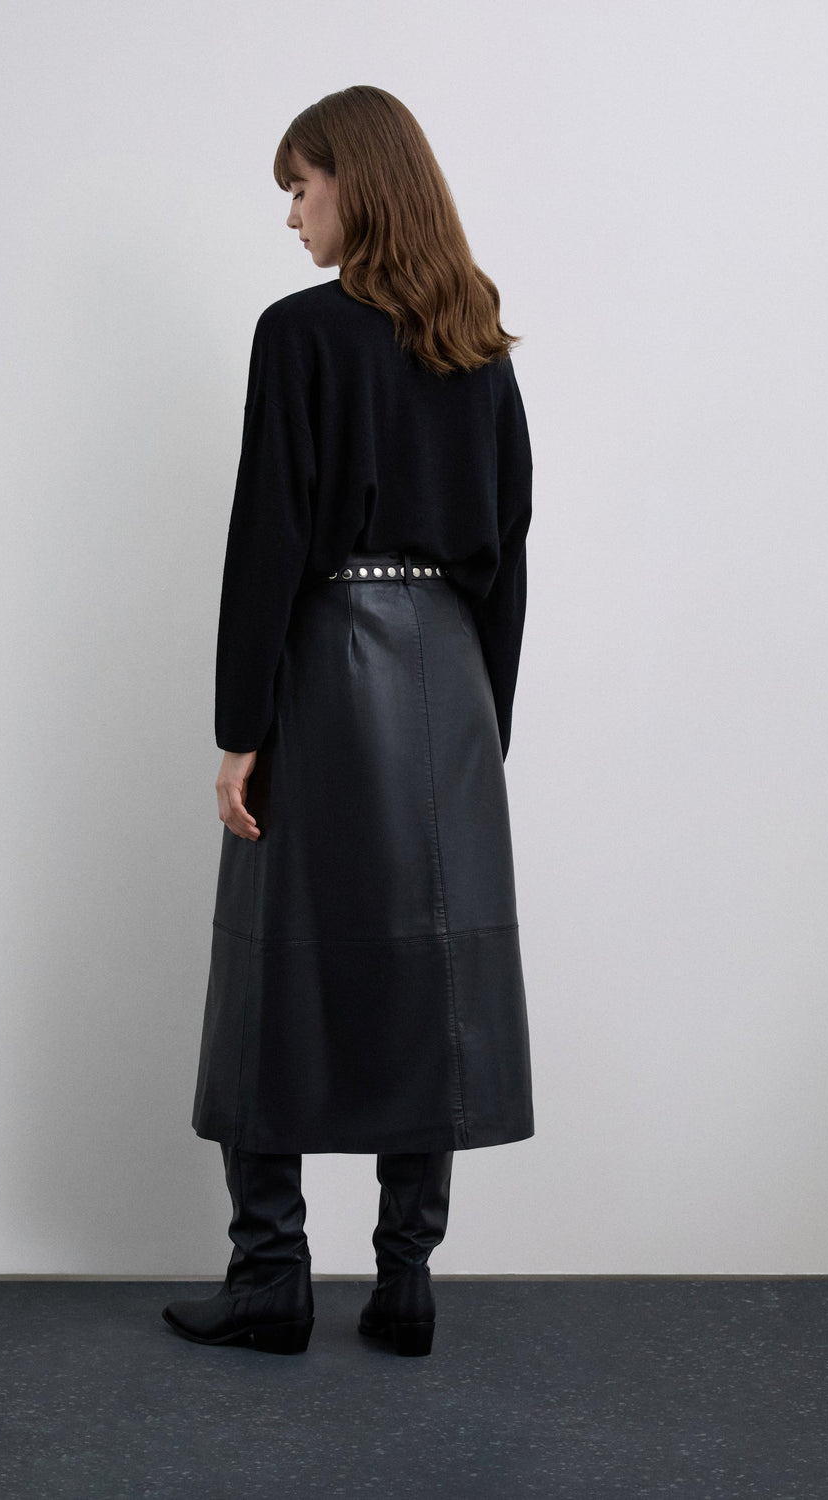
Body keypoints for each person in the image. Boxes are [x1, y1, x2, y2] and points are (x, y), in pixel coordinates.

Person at [163, 85, 534, 1358]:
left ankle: (270, 1273)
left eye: (301, 186)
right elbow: (508, 548)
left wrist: (239, 725)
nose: (291, 215)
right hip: (449, 675)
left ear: (355, 186)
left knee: (272, 961)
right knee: (432, 968)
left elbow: (268, 534)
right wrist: (486, 723)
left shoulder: (299, 334)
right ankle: (404, 1280)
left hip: (326, 663)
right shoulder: (475, 341)